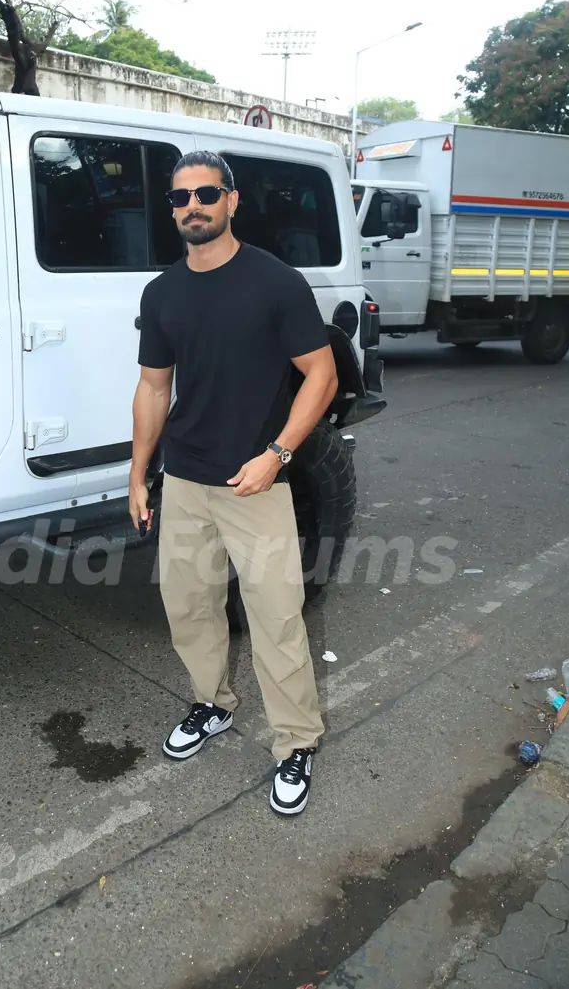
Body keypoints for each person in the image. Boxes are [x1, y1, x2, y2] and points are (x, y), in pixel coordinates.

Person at [130, 150, 338, 817]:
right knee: (188, 606)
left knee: (277, 615)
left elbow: (322, 375)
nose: (192, 205)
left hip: (255, 482)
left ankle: (296, 741)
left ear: (231, 200)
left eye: (205, 193)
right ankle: (212, 704)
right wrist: (138, 473)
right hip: (186, 480)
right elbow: (153, 387)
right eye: (179, 197)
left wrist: (277, 453)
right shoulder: (161, 293)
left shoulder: (275, 283)